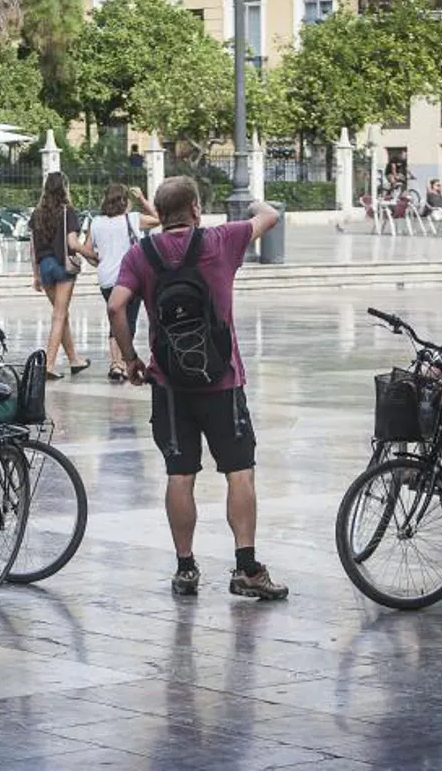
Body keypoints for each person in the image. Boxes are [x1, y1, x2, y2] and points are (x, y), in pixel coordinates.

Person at [107, 176, 288, 601]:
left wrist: (132, 358)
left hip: (169, 385)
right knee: (239, 471)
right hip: (223, 381)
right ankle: (246, 569)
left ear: (159, 211)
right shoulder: (221, 240)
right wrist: (252, 204)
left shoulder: (141, 253)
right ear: (194, 209)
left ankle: (185, 568)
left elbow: (116, 304)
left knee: (179, 474)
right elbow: (271, 215)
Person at [85, 183, 159, 381]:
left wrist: (98, 261)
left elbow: (88, 251)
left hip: (106, 280)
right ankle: (125, 363)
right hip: (130, 278)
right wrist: (142, 198)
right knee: (128, 322)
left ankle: (115, 363)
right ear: (125, 201)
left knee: (114, 319)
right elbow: (159, 219)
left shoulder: (96, 222)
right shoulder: (132, 219)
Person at [31, 172, 98, 380]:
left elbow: (32, 248)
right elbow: (72, 244)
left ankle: (74, 360)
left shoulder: (36, 214)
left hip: (44, 266)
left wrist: (35, 275)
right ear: (64, 188)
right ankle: (48, 365)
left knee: (62, 314)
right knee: (59, 315)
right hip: (62, 266)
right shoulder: (68, 212)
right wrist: (94, 256)